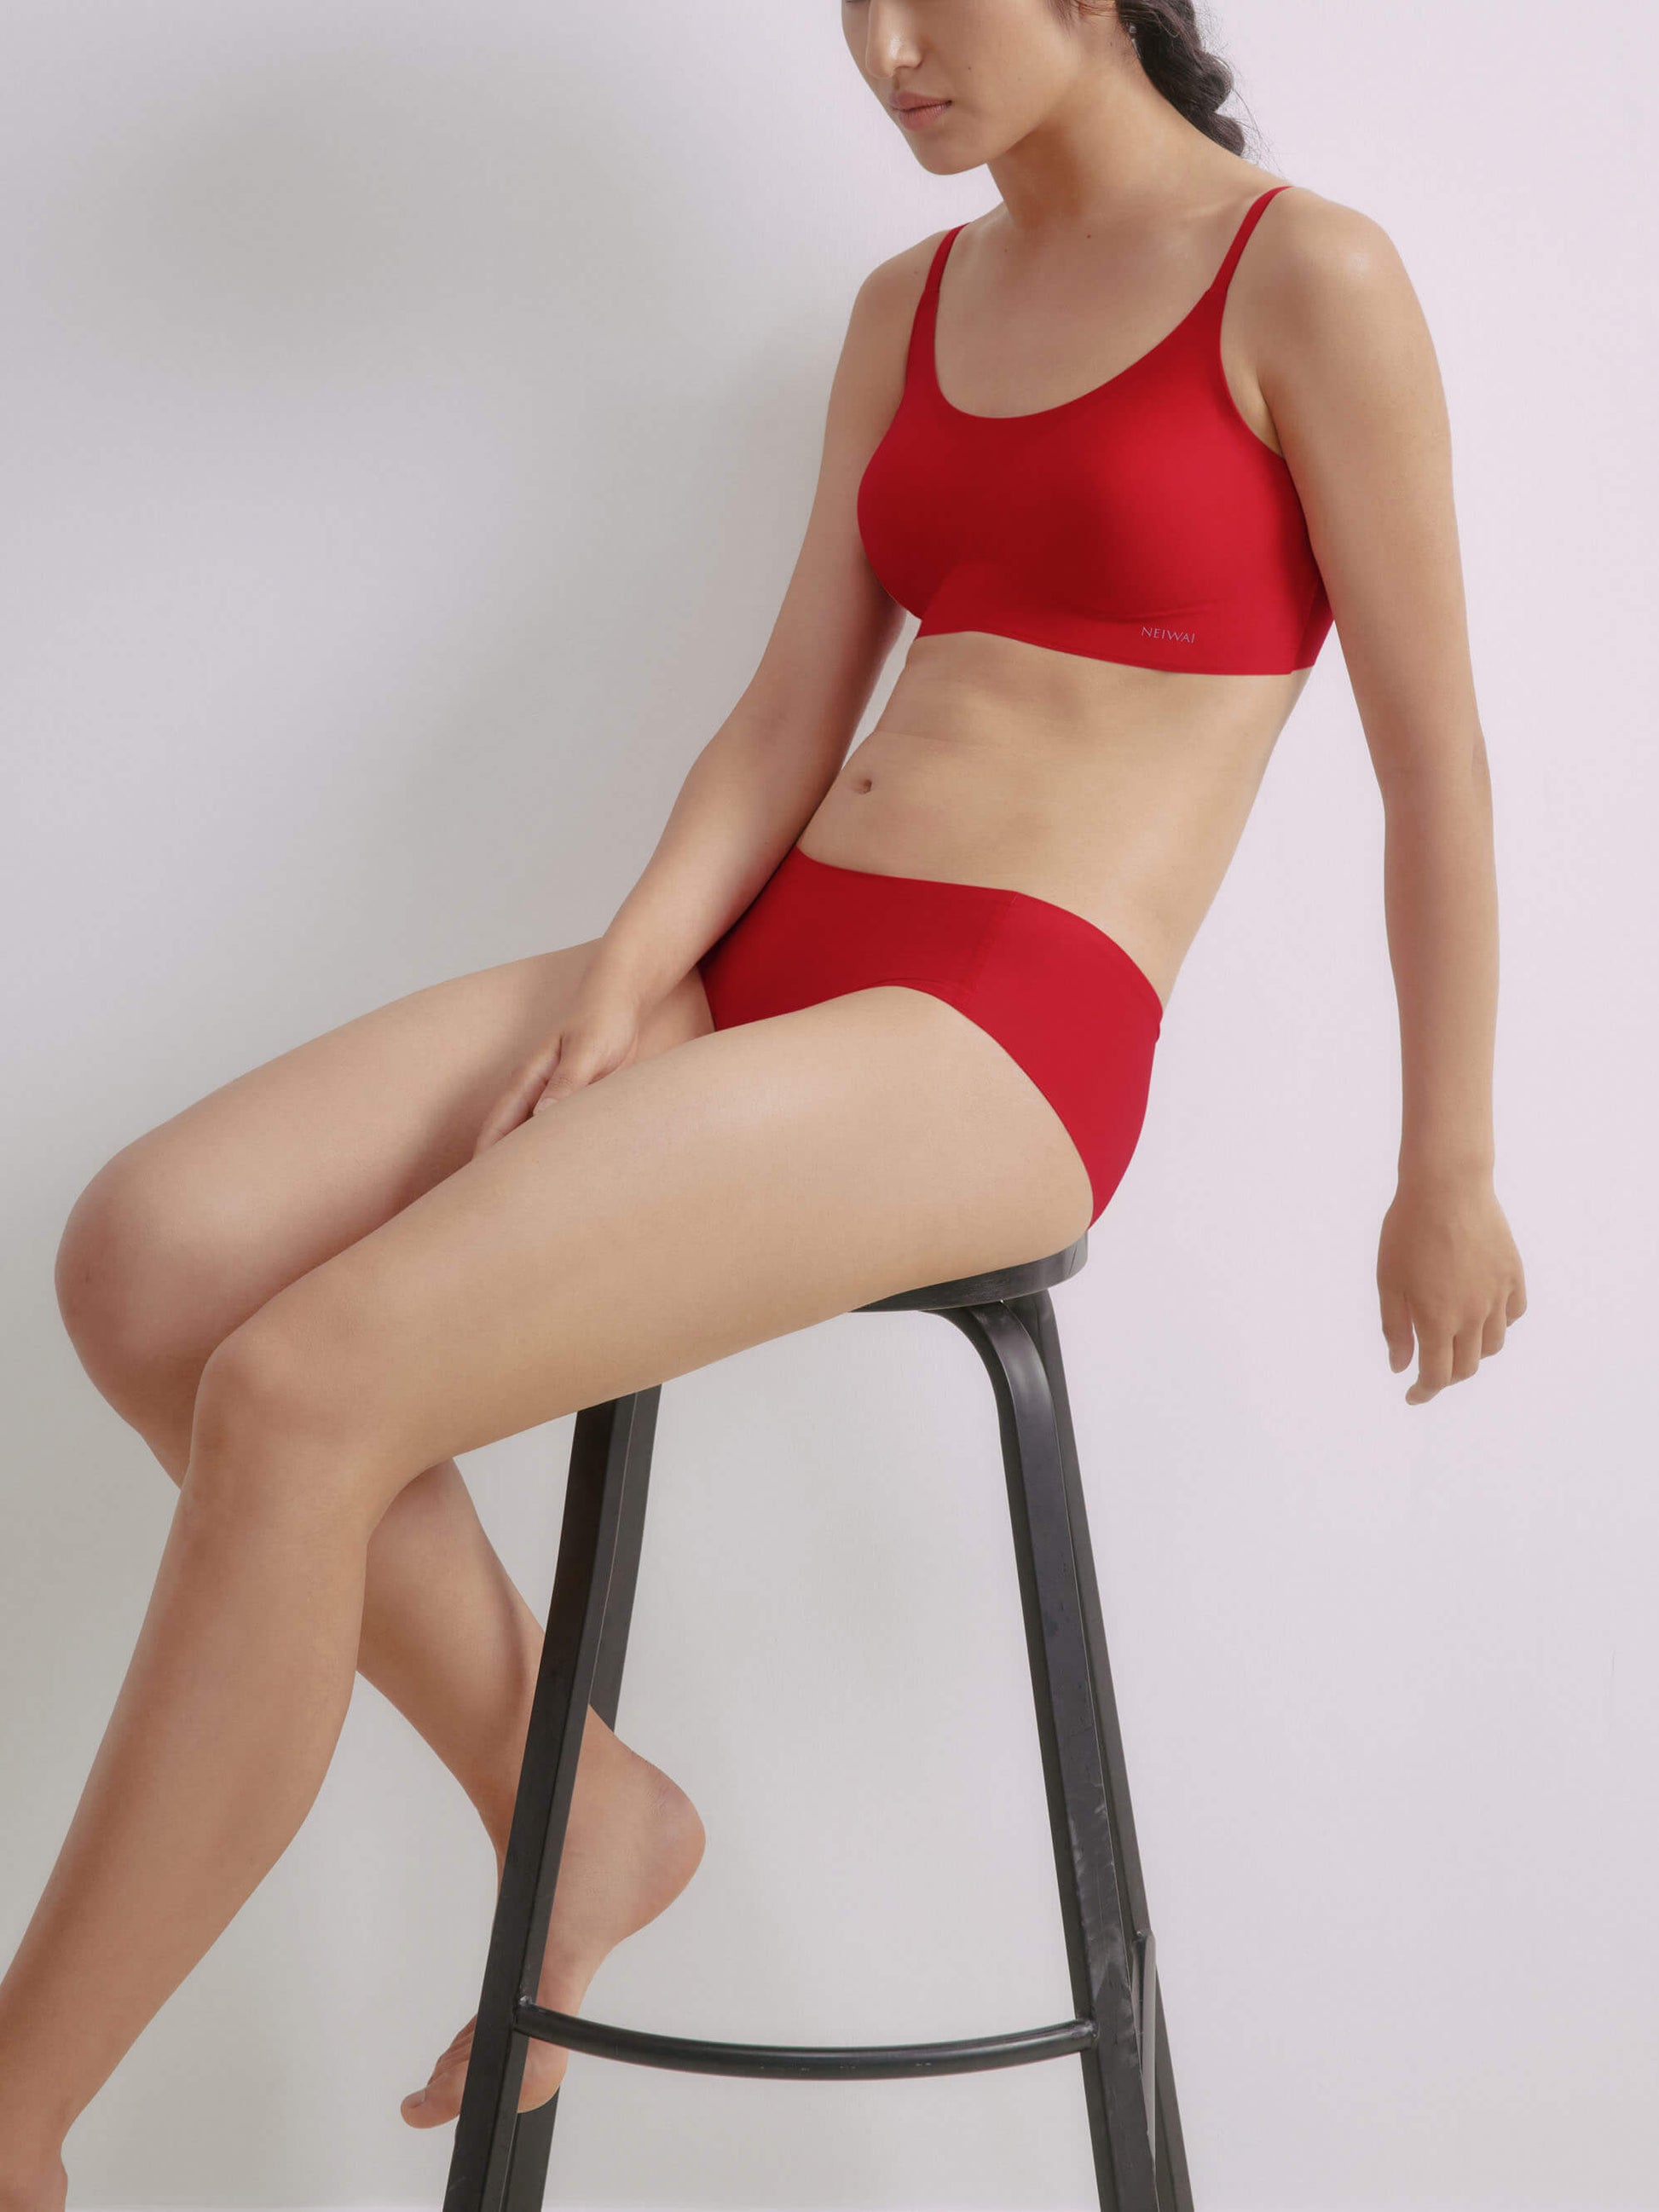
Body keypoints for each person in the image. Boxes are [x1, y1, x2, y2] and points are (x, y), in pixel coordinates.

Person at [0, 0, 1529, 2193]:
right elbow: (790, 704)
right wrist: (630, 978)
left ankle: (19, 2109)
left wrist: (1446, 1155)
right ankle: (577, 1794)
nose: (886, 43)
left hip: (1007, 1026)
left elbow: (1434, 751)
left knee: (303, 1385)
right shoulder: (906, 306)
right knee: (148, 1258)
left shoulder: (1305, 277)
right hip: (770, 955)